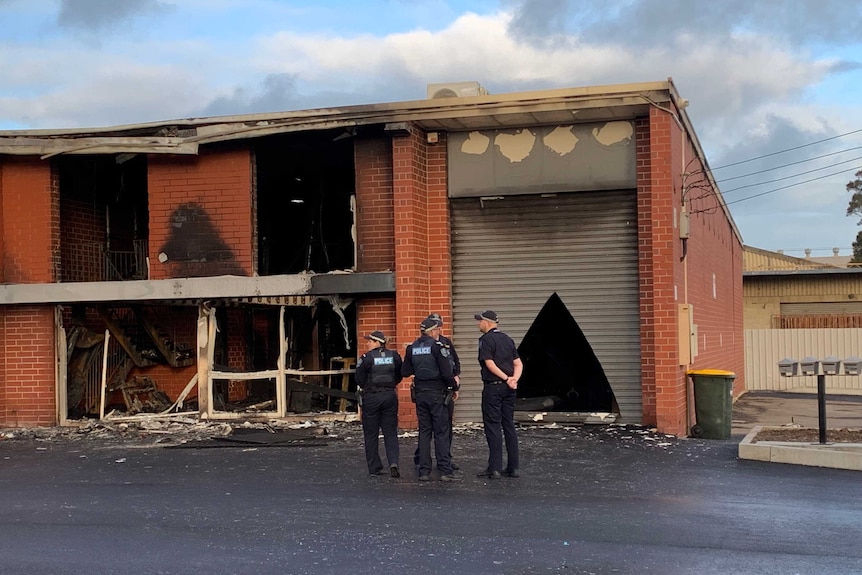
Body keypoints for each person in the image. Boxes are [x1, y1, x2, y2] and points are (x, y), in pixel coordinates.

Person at [402, 317, 460, 482]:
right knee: (441, 432)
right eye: (438, 330)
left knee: (425, 431)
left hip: (420, 394)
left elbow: (405, 371)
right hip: (437, 394)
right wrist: (454, 388)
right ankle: (444, 470)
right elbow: (446, 372)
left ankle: (424, 471)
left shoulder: (412, 348)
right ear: (433, 331)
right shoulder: (437, 347)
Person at [474, 310, 523, 479]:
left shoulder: (486, 340)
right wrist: (513, 379)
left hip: (493, 387)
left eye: (480, 321)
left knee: (493, 425)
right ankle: (514, 467)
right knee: (508, 424)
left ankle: (494, 467)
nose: (478, 324)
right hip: (509, 389)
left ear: (487, 322)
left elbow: (489, 364)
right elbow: (518, 363)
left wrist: (505, 378)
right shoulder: (507, 339)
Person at [355, 330, 403, 478]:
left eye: (370, 341)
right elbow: (399, 375)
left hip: (372, 397)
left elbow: (359, 378)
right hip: (389, 396)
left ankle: (375, 467)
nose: (368, 343)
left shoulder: (366, 358)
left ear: (377, 342)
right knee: (390, 432)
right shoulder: (394, 356)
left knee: (371, 434)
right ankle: (393, 462)